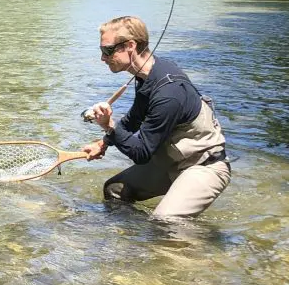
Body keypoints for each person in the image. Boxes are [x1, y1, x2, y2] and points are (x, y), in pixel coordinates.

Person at [81, 15, 230, 219]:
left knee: (165, 220)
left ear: (130, 46)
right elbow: (134, 119)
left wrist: (110, 126)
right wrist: (104, 143)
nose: (103, 58)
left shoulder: (168, 93)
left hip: (204, 166)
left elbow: (142, 153)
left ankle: (185, 245)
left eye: (107, 50)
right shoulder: (146, 76)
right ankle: (132, 244)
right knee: (114, 190)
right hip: (172, 162)